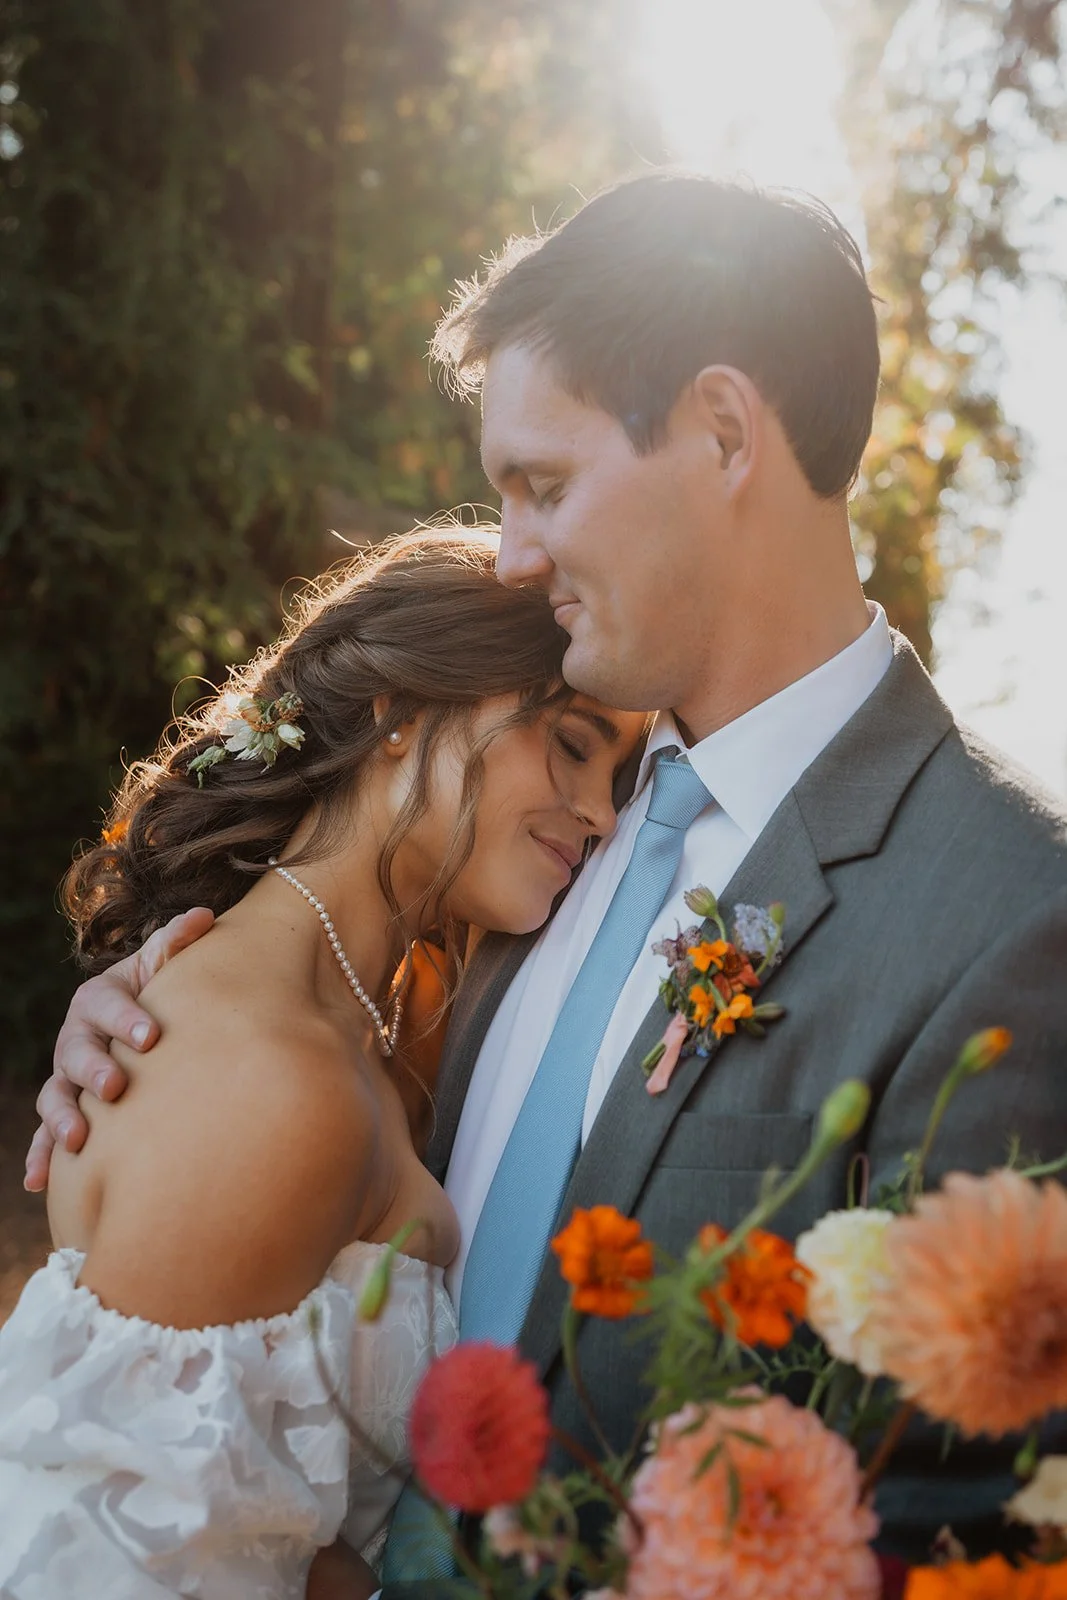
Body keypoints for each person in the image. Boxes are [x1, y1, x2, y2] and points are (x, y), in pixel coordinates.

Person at [29, 175, 1067, 1583]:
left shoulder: (1007, 917)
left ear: (719, 429)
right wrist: (138, 1041)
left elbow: (951, 1535)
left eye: (542, 485)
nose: (513, 553)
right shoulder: (517, 855)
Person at [0, 527, 646, 1598]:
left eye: (618, 770)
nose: (603, 810)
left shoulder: (396, 1012)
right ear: (398, 714)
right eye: (571, 743)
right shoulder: (267, 1078)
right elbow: (138, 1562)